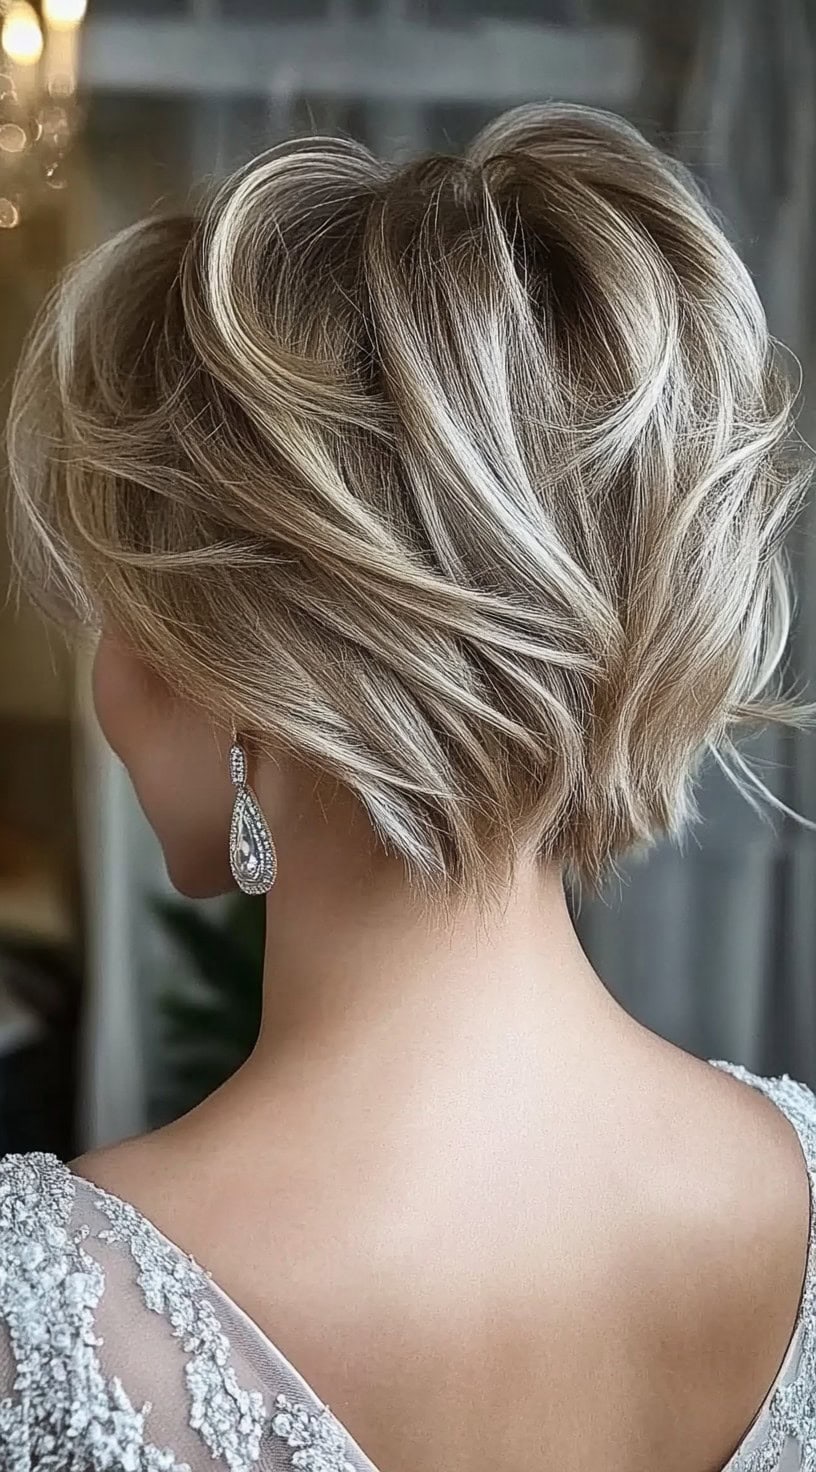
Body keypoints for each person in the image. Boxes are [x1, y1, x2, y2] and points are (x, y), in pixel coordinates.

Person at [0, 102, 813, 1472]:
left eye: (116, 616)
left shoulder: (42, 1320)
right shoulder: (801, 1186)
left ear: (248, 676)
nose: (112, 689)